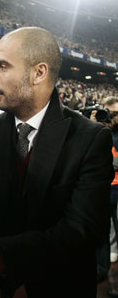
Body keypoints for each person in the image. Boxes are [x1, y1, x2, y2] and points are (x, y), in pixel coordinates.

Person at [0, 27, 114, 298]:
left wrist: (5, 256)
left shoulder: (90, 138)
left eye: (2, 66)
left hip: (60, 287)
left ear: (38, 73)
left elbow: (83, 230)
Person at [90, 97, 118, 297]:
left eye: (115, 113)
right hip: (101, 189)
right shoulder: (95, 131)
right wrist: (93, 126)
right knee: (101, 230)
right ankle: (101, 270)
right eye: (108, 112)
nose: (110, 117)